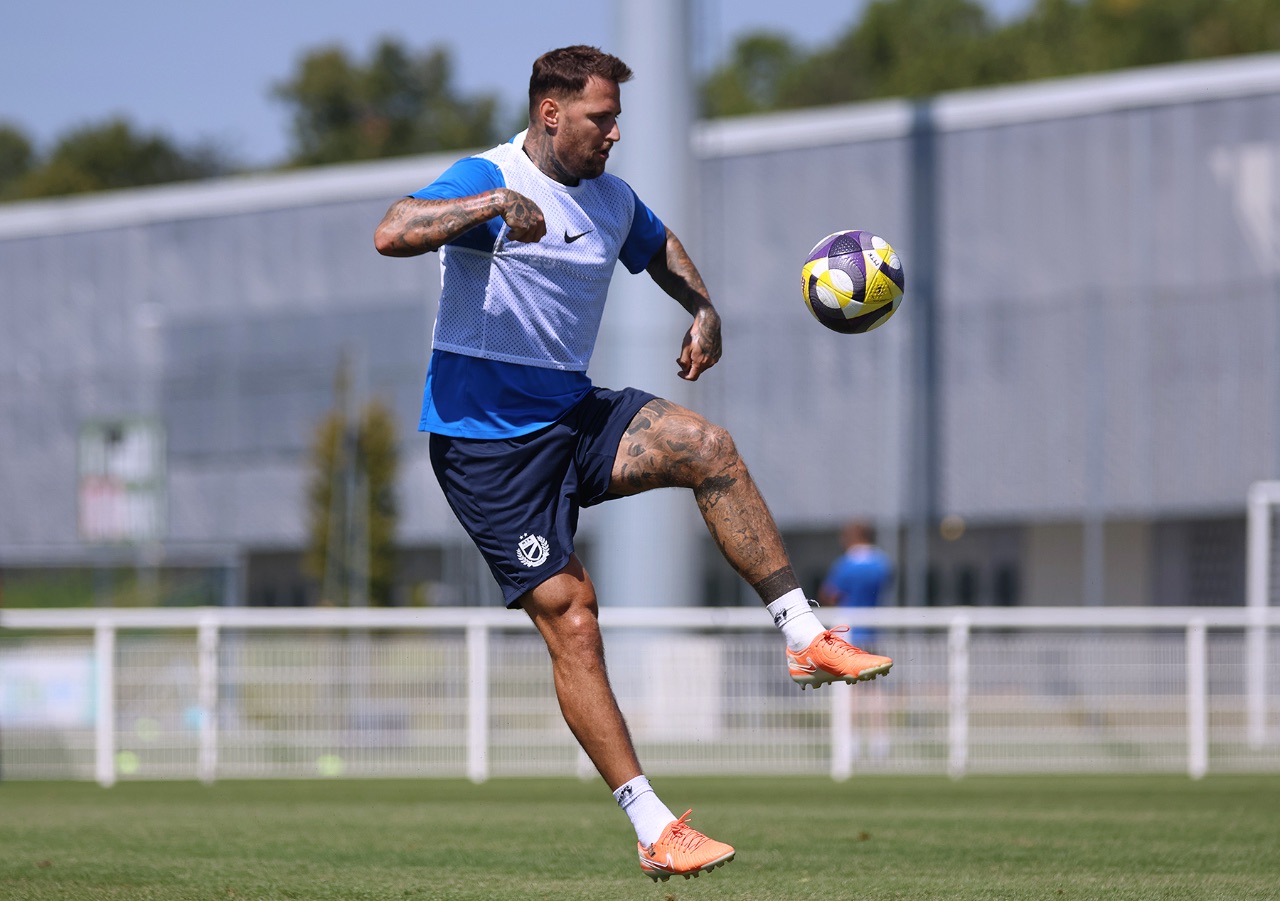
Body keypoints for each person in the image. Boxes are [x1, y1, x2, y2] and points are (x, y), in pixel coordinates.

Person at [374, 45, 892, 881]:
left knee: (708, 447)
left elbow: (656, 244)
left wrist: (702, 307)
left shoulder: (610, 199)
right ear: (551, 113)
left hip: (571, 413)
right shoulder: (490, 175)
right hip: (486, 445)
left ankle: (804, 635)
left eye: (617, 118)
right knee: (575, 620)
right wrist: (491, 206)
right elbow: (392, 229)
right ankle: (654, 826)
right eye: (601, 118)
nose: (615, 133)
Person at [819, 520, 895, 763]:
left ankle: (851, 742)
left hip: (849, 633)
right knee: (874, 690)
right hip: (871, 631)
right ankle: (879, 742)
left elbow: (829, 594)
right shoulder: (881, 563)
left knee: (849, 690)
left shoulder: (845, 564)